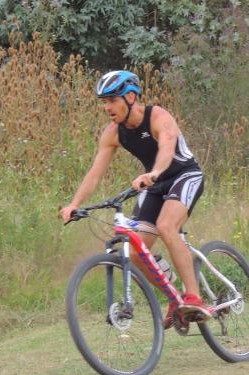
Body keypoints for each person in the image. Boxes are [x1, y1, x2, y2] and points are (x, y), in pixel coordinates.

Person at [60, 70, 208, 328]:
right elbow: (94, 174)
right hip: (154, 184)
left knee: (166, 226)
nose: (107, 107)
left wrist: (154, 173)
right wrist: (74, 204)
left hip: (184, 175)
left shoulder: (158, 116)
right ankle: (175, 297)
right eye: (103, 102)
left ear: (130, 96)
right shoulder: (113, 133)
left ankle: (194, 297)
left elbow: (166, 148)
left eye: (112, 100)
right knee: (137, 249)